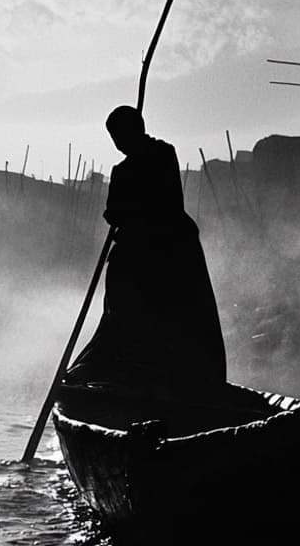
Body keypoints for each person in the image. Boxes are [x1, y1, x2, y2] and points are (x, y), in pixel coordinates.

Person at [76, 105, 225, 387]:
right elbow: (118, 212)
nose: (117, 144)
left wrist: (123, 209)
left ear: (131, 132)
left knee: (141, 307)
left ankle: (145, 374)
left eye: (118, 136)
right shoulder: (159, 154)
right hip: (167, 245)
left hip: (155, 250)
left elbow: (116, 213)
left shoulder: (138, 164)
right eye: (114, 138)